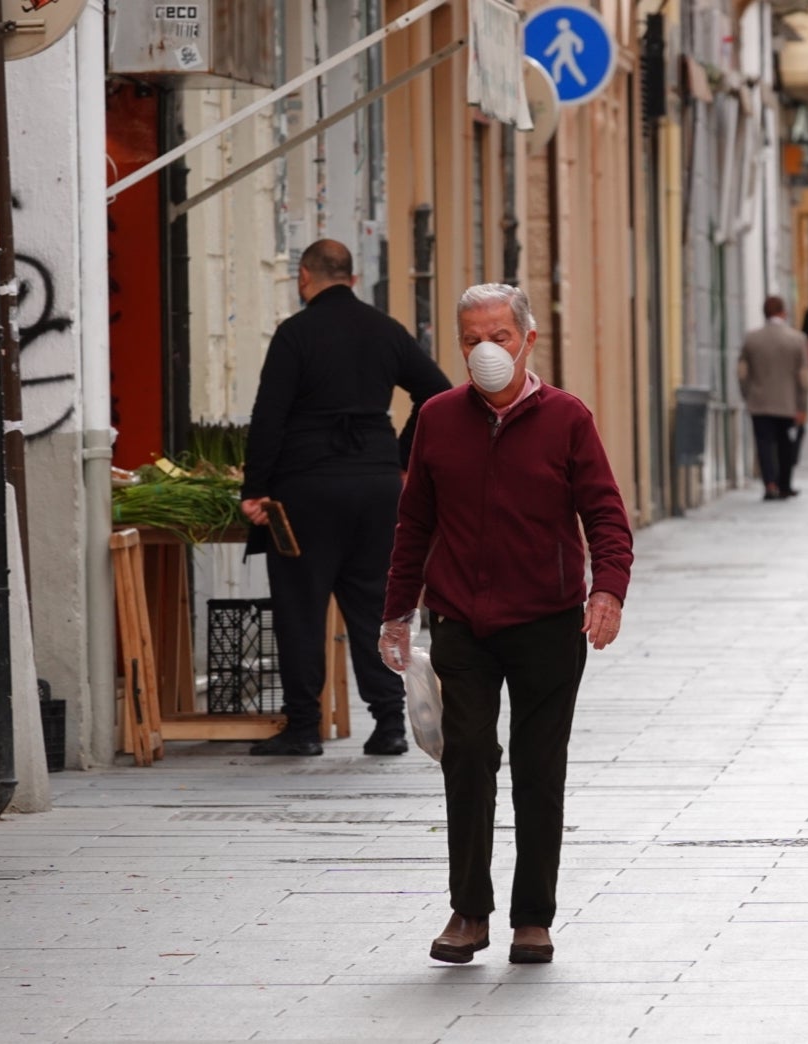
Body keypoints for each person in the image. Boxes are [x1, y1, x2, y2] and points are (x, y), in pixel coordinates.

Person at [378, 284, 633, 966]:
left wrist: (606, 590)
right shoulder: (436, 419)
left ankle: (533, 919)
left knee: (538, 769)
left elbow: (605, 512)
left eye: (499, 336)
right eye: (470, 340)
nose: (485, 350)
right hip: (462, 619)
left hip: (548, 622)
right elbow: (414, 524)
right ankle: (468, 912)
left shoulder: (567, 418)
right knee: (465, 759)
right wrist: (397, 613)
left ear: (527, 340)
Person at [240, 239, 451, 757]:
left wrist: (256, 489)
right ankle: (389, 725)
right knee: (373, 606)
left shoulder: (294, 335)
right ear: (353, 279)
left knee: (300, 607)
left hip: (305, 487)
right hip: (376, 487)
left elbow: (269, 416)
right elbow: (436, 394)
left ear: (305, 279)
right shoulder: (385, 330)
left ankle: (305, 728)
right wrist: (400, 457)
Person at [738, 295, 808, 500]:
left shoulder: (752, 339)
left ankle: (769, 483)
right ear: (783, 312)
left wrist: (747, 394)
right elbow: (804, 377)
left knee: (764, 444)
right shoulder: (797, 339)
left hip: (759, 402)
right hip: (787, 404)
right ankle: (785, 484)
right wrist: (802, 406)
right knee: (785, 445)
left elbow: (742, 372)